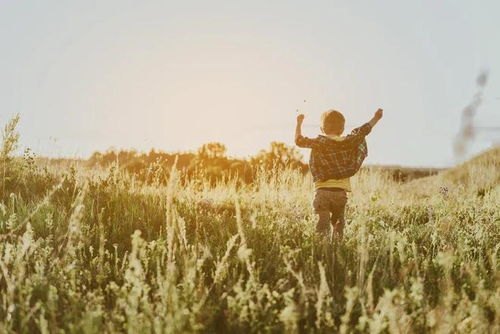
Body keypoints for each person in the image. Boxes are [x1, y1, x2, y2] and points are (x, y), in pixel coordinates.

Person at [295, 108, 383, 240]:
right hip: (340, 194)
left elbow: (299, 141)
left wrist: (299, 123)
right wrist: (375, 118)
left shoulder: (319, 142)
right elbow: (363, 131)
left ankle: (323, 251)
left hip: (322, 191)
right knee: (338, 224)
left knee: (322, 225)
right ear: (342, 129)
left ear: (322, 129)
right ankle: (337, 247)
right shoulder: (347, 142)